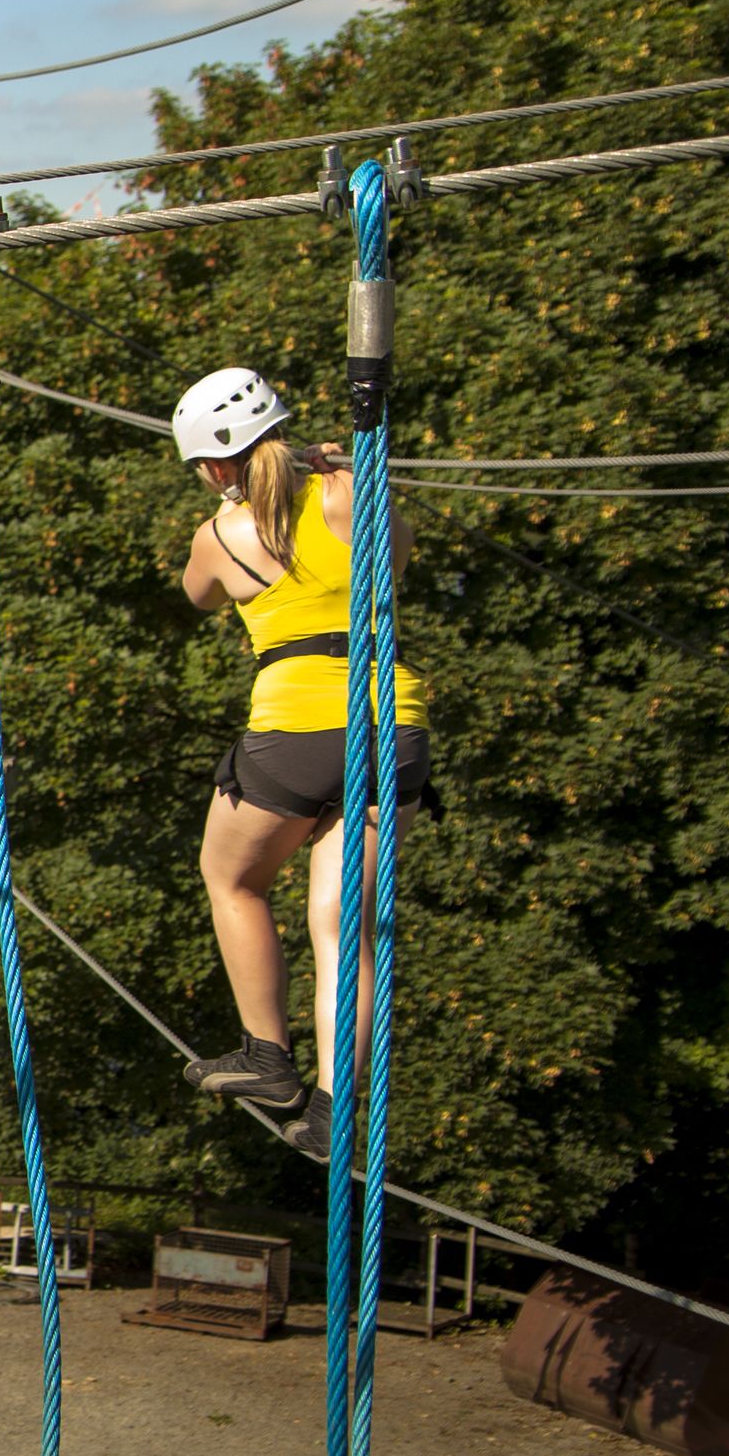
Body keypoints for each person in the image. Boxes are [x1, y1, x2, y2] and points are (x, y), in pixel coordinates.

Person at [173, 366, 433, 1121]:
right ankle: (331, 1109)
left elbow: (196, 596)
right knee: (344, 925)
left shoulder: (218, 537)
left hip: (295, 732)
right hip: (392, 726)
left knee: (232, 878)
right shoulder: (349, 493)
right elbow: (398, 557)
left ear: (215, 465)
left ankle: (267, 1057)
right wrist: (337, 471)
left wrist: (241, 504)